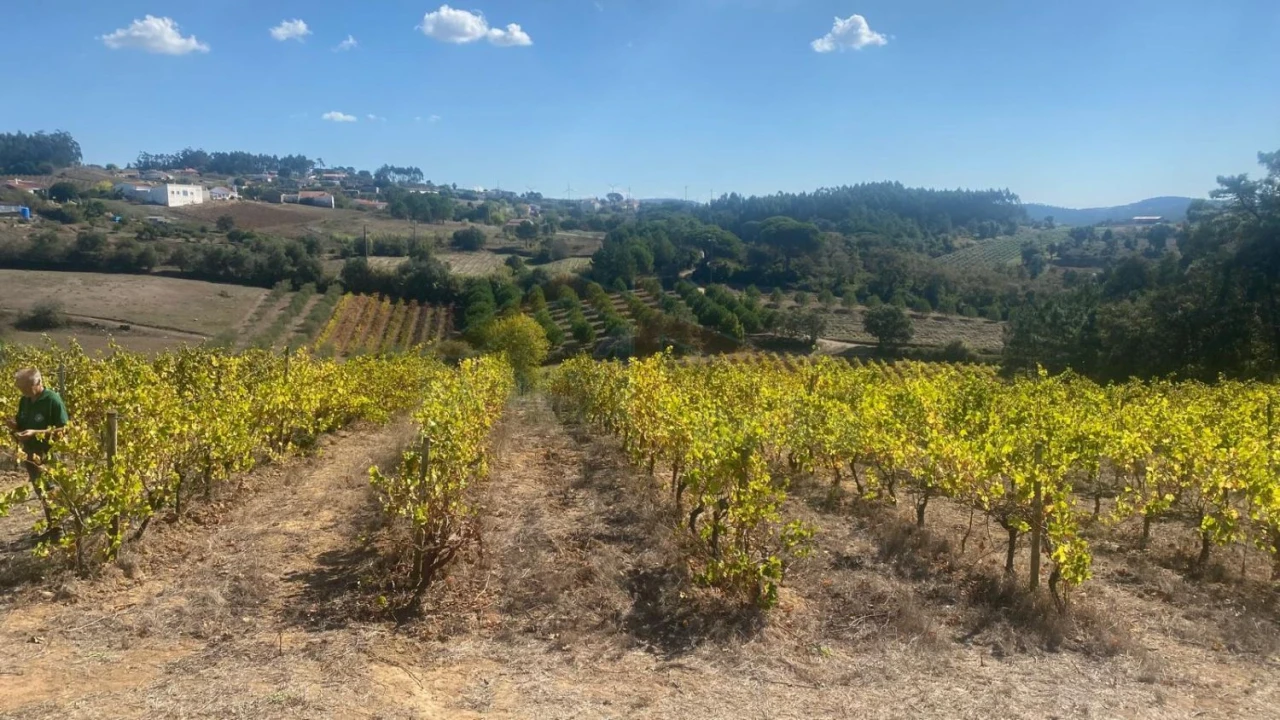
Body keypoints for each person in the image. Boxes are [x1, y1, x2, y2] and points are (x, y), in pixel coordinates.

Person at [5, 368, 68, 539]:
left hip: (48, 453)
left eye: (25, 388)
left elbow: (63, 429)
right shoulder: (24, 400)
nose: (23, 392)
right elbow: (22, 425)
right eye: (20, 389)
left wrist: (36, 432)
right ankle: (52, 527)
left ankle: (59, 530)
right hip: (30, 454)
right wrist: (15, 426)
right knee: (41, 491)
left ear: (38, 383)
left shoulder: (53, 400)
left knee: (51, 489)